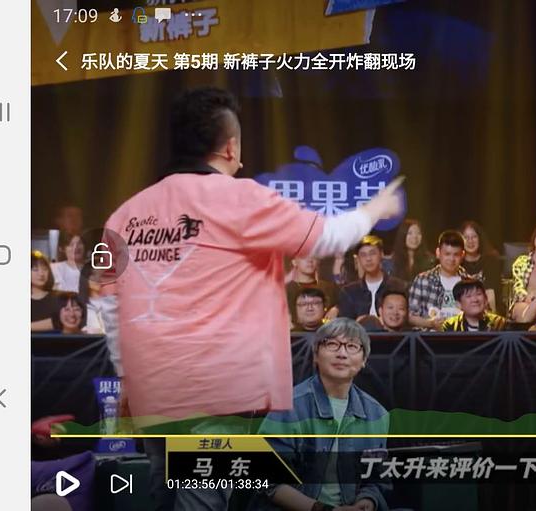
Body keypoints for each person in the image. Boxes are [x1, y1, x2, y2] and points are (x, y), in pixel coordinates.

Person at [99, 87, 402, 510]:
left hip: (153, 395)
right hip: (215, 395)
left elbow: (111, 309)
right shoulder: (240, 198)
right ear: (230, 147)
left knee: (169, 499)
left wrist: (128, 379)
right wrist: (374, 209)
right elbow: (327, 237)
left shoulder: (123, 215)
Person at [253, 318, 389, 511]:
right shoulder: (289, 406)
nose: (342, 354)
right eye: (332, 344)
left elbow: (376, 479)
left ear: (363, 360)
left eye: (352, 346)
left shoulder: (377, 414)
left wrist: (366, 502)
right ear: (316, 355)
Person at [334, 235, 407, 320]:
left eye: (372, 253)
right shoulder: (349, 292)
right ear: (358, 259)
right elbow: (345, 324)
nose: (368, 259)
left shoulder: (399, 287)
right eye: (363, 255)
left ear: (381, 254)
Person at [408, 230, 469, 330]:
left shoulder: (470, 283)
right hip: (429, 336)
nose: (451, 259)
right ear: (438, 253)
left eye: (456, 255)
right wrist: (431, 324)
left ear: (462, 255)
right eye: (447, 254)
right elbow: (410, 316)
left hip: (462, 336)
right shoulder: (423, 280)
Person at [460, 221, 503, 311]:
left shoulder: (491, 260)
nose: (470, 241)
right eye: (466, 237)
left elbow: (491, 294)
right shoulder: (457, 262)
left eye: (474, 237)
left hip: (487, 309)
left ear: (479, 239)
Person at [286, 256, 338, 326]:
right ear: (294, 262)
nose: (310, 261)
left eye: (314, 256)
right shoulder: (284, 291)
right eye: (304, 257)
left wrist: (337, 308)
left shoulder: (330, 287)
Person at [439, 279, 508, 332]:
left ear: (486, 298)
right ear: (458, 304)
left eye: (478, 294)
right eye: (469, 296)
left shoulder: (499, 323)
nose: (475, 299)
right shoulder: (450, 325)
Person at [31, 251, 59, 332]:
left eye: (45, 269)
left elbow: (59, 321)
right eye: (35, 269)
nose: (41, 274)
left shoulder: (58, 297)